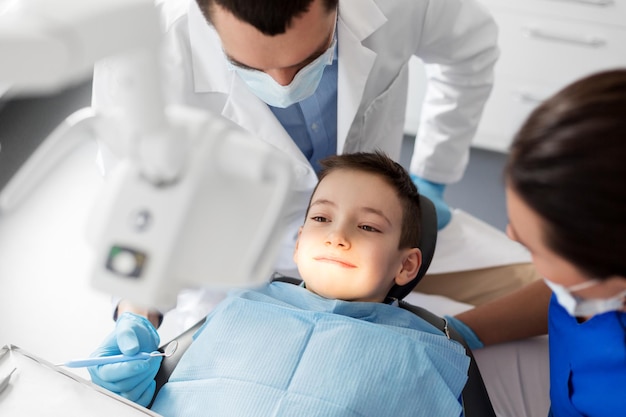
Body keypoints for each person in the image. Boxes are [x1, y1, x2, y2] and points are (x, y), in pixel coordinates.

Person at [89, 152, 470, 416]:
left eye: (368, 226)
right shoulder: (242, 307)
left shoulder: (425, 353)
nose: (337, 236)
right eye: (322, 218)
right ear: (299, 240)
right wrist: (130, 374)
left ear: (406, 266)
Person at [447, 69, 626, 417]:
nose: (510, 234)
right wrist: (456, 330)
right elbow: (568, 297)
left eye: (533, 247)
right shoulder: (591, 285)